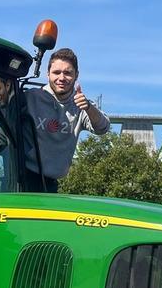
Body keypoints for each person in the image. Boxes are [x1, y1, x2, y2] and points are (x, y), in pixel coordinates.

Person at [20, 48, 110, 192]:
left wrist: (88, 107)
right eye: (56, 72)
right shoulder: (30, 97)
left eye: (67, 73)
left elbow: (103, 128)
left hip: (51, 184)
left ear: (76, 75)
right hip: (22, 178)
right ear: (47, 73)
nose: (61, 78)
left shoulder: (81, 104)